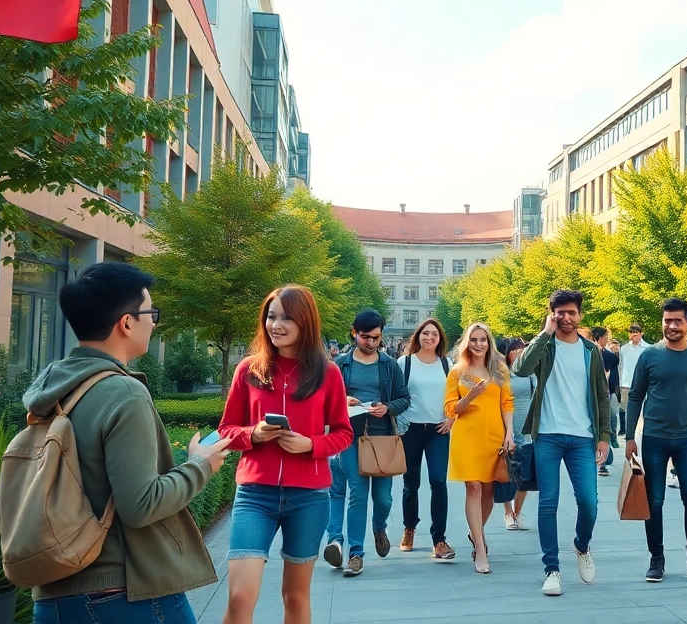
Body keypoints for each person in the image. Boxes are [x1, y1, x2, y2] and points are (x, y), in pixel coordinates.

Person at [23, 262, 228, 624]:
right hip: (122, 595)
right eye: (151, 312)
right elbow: (141, 504)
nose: (153, 322)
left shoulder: (57, 388)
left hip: (54, 597)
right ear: (127, 322)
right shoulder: (124, 392)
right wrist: (201, 464)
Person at [218, 285, 354, 624]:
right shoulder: (248, 370)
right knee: (239, 597)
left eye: (286, 318)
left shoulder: (328, 372)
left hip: (308, 497)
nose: (275, 325)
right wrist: (253, 434)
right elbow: (225, 430)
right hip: (255, 495)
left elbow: (343, 433)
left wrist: (312, 445)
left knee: (295, 596)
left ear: (305, 323)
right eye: (271, 316)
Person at [515, 289, 613, 597]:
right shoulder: (545, 346)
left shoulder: (590, 351)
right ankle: (551, 569)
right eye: (560, 313)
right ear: (552, 313)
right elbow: (521, 368)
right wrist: (545, 333)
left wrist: (605, 437)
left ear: (580, 314)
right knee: (548, 503)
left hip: (583, 436)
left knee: (589, 502)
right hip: (548, 434)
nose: (566, 318)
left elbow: (601, 395)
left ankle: (581, 545)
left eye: (571, 312)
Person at [625, 298, 687, 587]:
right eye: (668, 320)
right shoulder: (649, 357)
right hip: (654, 438)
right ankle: (657, 559)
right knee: (654, 500)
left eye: (678, 320)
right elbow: (634, 396)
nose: (672, 325)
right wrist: (629, 437)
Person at [323, 309, 410, 577]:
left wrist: (388, 408)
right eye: (365, 337)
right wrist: (343, 401)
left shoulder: (389, 365)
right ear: (354, 333)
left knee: (383, 498)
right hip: (349, 436)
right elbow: (325, 403)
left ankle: (379, 526)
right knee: (358, 495)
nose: (371, 343)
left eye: (375, 337)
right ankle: (356, 554)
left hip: (382, 435)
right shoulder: (340, 365)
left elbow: (404, 398)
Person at [444, 323, 515, 574]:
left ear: (489, 342)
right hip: (466, 436)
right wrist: (470, 396)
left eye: (483, 340)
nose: (478, 344)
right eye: (473, 339)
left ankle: (476, 532)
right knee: (473, 488)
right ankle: (481, 549)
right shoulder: (457, 372)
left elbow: (507, 403)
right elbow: (451, 409)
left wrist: (510, 433)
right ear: (466, 342)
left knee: (489, 491)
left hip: (494, 434)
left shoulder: (500, 369)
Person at [398, 318, 456, 560]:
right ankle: (409, 528)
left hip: (438, 431)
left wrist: (451, 419)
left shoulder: (447, 364)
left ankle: (439, 539)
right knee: (411, 484)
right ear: (418, 336)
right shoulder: (405, 363)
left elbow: (456, 396)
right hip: (411, 429)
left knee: (438, 482)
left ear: (440, 338)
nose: (430, 337)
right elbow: (397, 395)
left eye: (434, 334)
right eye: (425, 333)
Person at [501, 337, 534, 530]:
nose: (520, 353)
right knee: (507, 473)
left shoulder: (529, 372)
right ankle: (507, 513)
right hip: (507, 428)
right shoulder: (501, 374)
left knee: (524, 474)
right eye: (516, 350)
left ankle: (517, 512)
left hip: (527, 428)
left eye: (523, 350)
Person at [593, 326, 621, 476]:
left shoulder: (609, 356)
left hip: (607, 394)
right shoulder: (589, 353)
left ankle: (603, 462)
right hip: (592, 396)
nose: (607, 339)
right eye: (605, 337)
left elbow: (613, 374)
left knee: (608, 421)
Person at [618, 322, 649, 436]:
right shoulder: (624, 348)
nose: (633, 335)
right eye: (631, 332)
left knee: (642, 407)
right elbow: (621, 365)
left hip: (643, 382)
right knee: (624, 407)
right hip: (626, 382)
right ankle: (623, 429)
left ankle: (642, 428)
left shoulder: (647, 348)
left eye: (636, 332)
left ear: (641, 333)